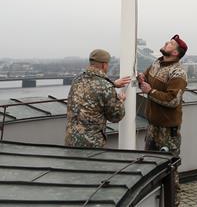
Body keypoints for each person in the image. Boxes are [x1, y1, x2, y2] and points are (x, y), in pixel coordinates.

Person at [138, 34, 189, 206]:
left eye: (171, 43)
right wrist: (140, 79)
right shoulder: (156, 63)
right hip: (153, 125)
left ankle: (172, 202)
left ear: (175, 53)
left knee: (170, 168)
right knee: (149, 164)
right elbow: (144, 79)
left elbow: (173, 100)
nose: (166, 42)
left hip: (168, 130)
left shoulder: (178, 72)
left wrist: (150, 91)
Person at [64, 49, 131, 148]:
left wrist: (112, 84)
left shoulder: (77, 79)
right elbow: (115, 116)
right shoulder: (105, 87)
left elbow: (92, 86)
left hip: (71, 140)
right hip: (91, 144)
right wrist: (121, 101)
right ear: (104, 65)